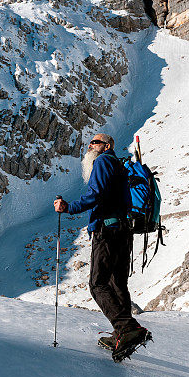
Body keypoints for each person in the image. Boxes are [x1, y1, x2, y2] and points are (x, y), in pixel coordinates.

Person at [54, 133, 150, 362]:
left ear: (106, 146)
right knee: (117, 284)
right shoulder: (117, 165)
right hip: (123, 231)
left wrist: (68, 207)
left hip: (107, 231)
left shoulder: (103, 161)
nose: (90, 146)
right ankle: (122, 335)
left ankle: (127, 329)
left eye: (95, 142)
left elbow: (94, 194)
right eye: (90, 142)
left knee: (97, 284)